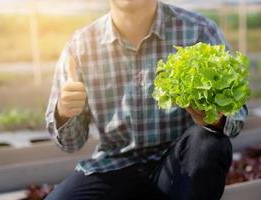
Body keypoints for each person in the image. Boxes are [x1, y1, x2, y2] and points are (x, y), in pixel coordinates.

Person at [45, 0, 248, 199]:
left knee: (208, 143)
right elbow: (70, 143)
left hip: (179, 165)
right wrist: (64, 112)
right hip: (114, 166)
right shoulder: (80, 47)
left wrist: (216, 119)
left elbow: (237, 115)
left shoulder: (198, 32)